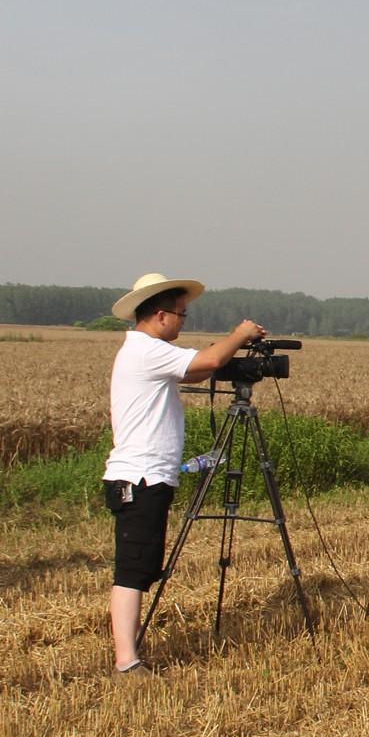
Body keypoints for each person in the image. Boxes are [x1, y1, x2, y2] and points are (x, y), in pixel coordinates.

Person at [104, 273, 266, 673]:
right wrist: (239, 334)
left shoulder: (146, 350)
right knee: (133, 570)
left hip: (150, 478)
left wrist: (228, 353)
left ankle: (129, 654)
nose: (183, 321)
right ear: (160, 315)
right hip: (139, 479)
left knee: (141, 567)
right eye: (181, 314)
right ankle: (127, 661)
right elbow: (208, 362)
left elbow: (196, 371)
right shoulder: (145, 350)